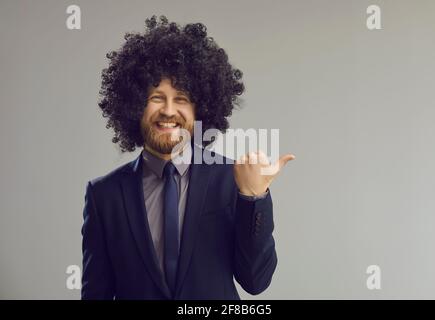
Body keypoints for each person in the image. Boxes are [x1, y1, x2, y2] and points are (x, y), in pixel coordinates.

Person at [81, 15, 295, 300]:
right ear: (133, 106)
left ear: (201, 108)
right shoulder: (104, 195)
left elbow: (255, 281)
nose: (168, 110)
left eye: (181, 98)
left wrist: (253, 198)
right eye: (156, 97)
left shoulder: (233, 178)